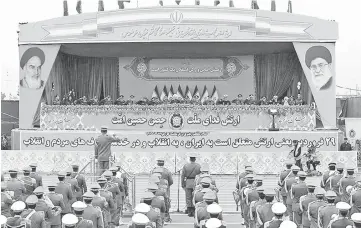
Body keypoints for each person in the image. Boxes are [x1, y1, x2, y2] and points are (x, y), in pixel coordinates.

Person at [181, 153, 201, 217]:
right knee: (195, 197)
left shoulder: (185, 166)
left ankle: (189, 211)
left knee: (188, 197)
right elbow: (200, 176)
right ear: (195, 159)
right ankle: (194, 210)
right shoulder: (198, 166)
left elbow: (182, 176)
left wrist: (182, 184)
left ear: (190, 159)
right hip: (196, 182)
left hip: (188, 182)